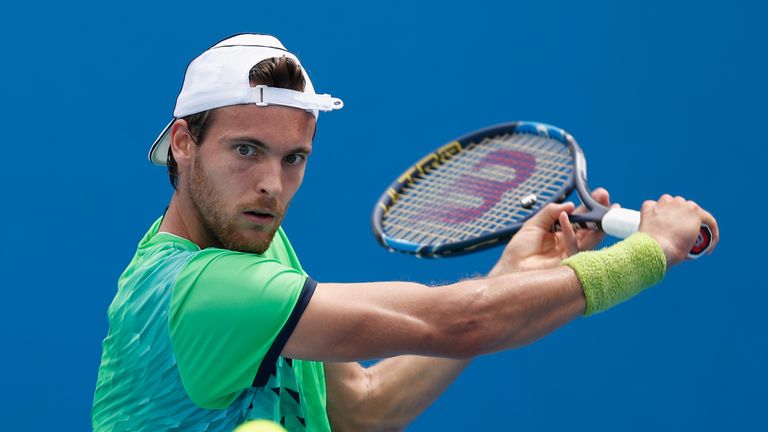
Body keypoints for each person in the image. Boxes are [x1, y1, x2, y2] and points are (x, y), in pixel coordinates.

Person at [91, 33, 719, 432]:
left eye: (293, 158)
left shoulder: (255, 242)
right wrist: (649, 252)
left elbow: (363, 406)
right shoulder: (205, 289)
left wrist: (507, 279)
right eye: (246, 150)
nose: (272, 185)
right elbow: (457, 322)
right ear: (183, 144)